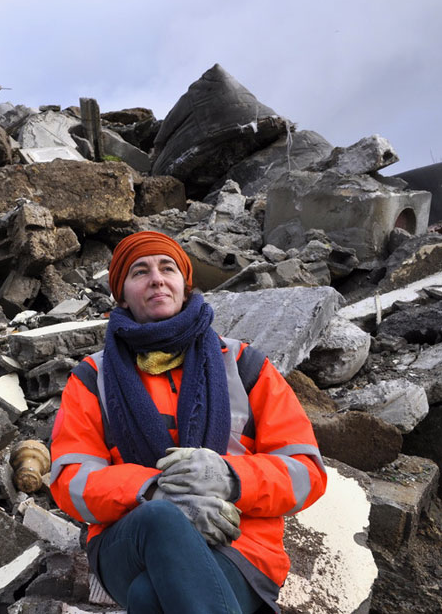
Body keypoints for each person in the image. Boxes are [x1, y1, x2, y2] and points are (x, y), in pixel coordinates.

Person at [49, 231, 327, 613]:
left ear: (184, 283)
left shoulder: (246, 366)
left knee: (150, 598)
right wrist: (153, 492)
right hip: (128, 544)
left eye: (168, 268)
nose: (157, 279)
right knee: (161, 518)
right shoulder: (92, 377)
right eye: (139, 272)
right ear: (122, 294)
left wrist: (229, 477)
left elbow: (306, 473)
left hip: (239, 547)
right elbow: (70, 481)